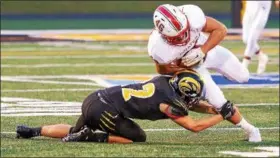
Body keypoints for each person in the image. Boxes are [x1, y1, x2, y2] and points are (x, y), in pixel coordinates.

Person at [16, 70, 235, 143]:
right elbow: (193, 127)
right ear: (182, 93)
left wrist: (212, 108)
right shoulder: (169, 104)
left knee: (75, 131)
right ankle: (91, 136)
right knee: (137, 137)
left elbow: (191, 104)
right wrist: (222, 116)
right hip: (106, 110)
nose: (192, 102)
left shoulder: (163, 82)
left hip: (94, 99)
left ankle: (34, 131)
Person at [148, 4, 261, 142]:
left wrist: (202, 51)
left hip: (208, 50)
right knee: (219, 102)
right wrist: (183, 69)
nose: (184, 37)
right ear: (165, 36)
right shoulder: (158, 47)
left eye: (185, 31)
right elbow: (162, 69)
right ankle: (251, 131)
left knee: (244, 76)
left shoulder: (192, 15)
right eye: (178, 37)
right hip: (193, 67)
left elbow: (220, 29)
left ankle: (220, 73)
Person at [241, 0, 278, 74]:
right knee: (245, 38)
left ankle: (244, 64)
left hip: (263, 3)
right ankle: (261, 56)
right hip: (250, 3)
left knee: (253, 32)